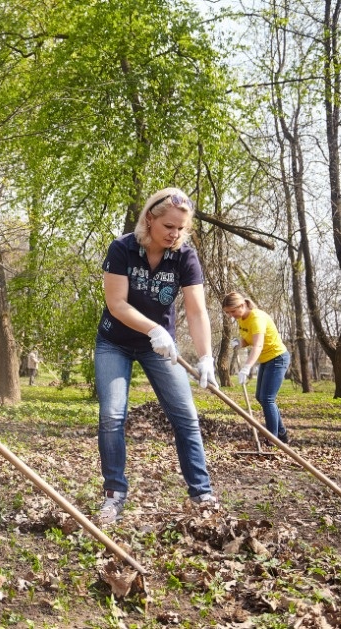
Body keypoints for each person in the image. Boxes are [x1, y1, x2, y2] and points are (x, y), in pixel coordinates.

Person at [95, 188, 219, 525]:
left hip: (161, 348)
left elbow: (196, 311)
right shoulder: (122, 249)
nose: (174, 234)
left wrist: (206, 356)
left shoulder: (184, 257)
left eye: (180, 228)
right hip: (115, 342)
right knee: (112, 415)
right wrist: (154, 328)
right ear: (149, 219)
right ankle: (114, 495)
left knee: (186, 416)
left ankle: (202, 494)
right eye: (168, 226)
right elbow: (116, 304)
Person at [222, 292, 290, 443]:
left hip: (277, 358)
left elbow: (258, 345)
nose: (231, 315)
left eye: (232, 311)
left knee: (267, 399)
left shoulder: (257, 318)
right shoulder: (241, 319)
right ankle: (282, 433)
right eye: (228, 312)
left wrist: (246, 367)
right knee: (261, 397)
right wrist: (238, 343)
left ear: (242, 305)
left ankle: (273, 439)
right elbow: (249, 340)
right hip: (266, 360)